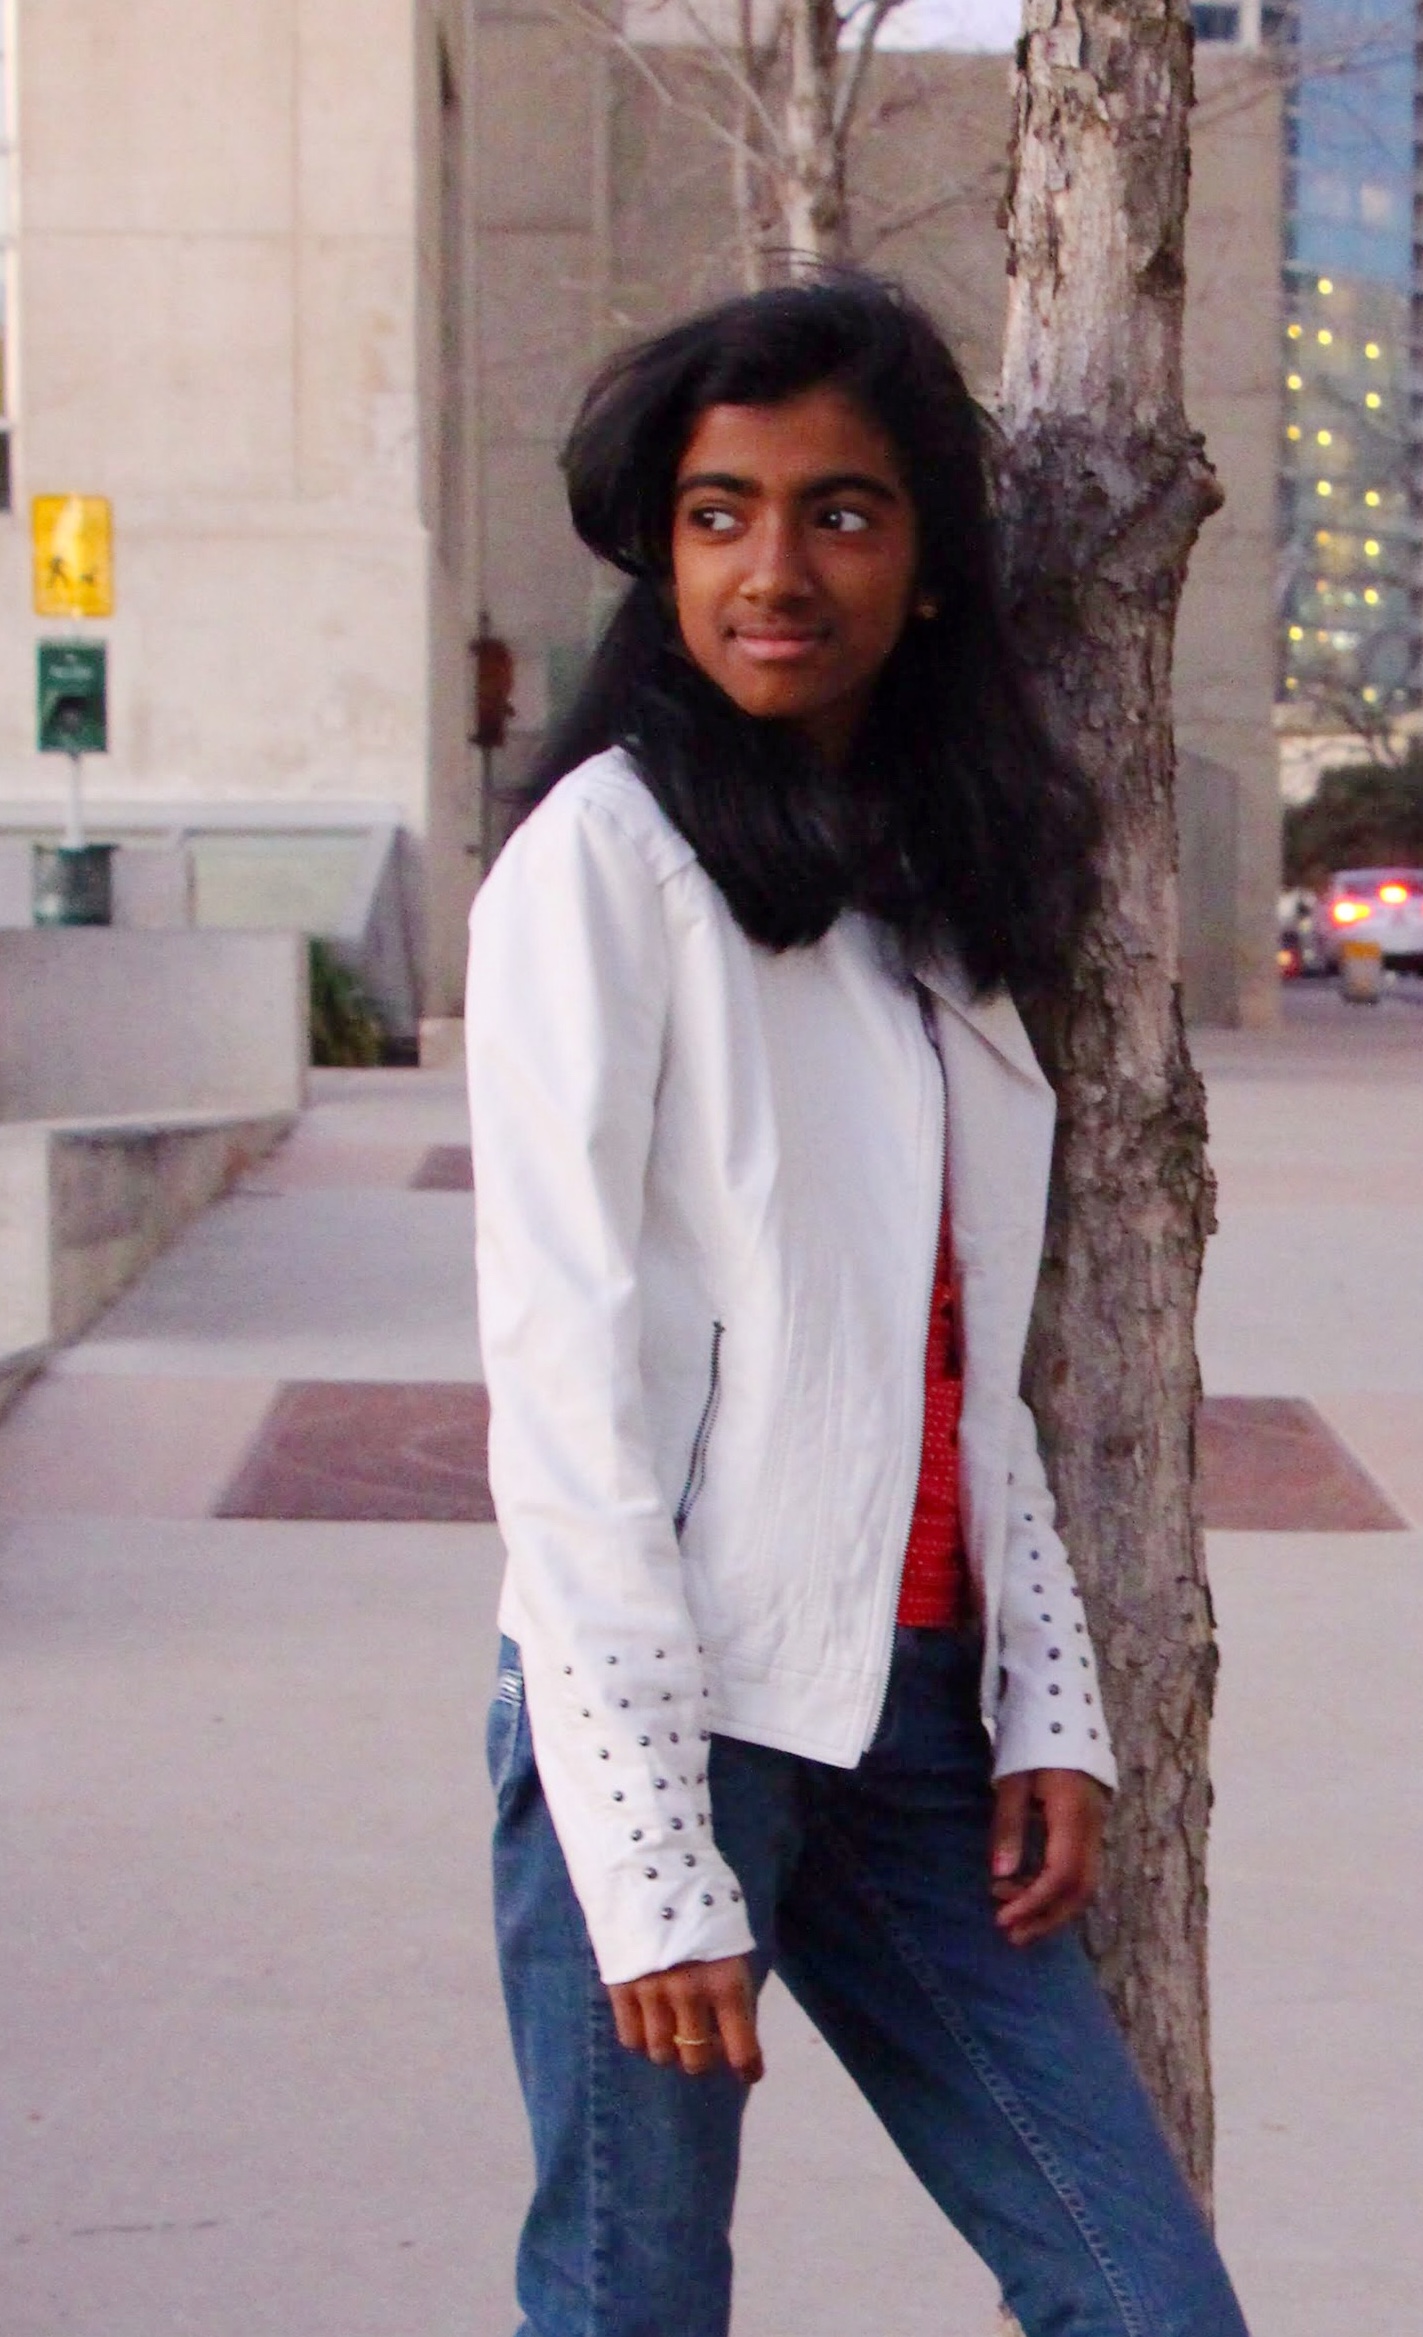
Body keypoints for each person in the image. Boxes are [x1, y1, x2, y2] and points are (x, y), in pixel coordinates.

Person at [467, 273, 1250, 2337]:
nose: (774, 569)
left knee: (1149, 2300)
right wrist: (646, 1856)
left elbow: (961, 1357)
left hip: (915, 1736)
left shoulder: (940, 888)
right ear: (662, 549)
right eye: (721, 513)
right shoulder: (603, 869)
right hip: (675, 1718)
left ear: (925, 568)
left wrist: (1047, 1697)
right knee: (635, 2311)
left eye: (840, 511)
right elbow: (569, 1400)